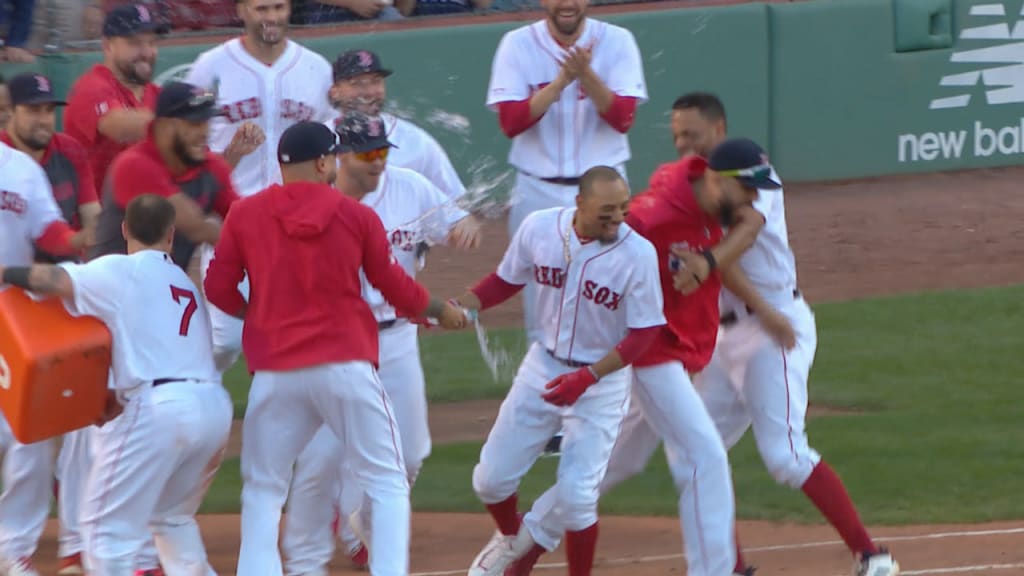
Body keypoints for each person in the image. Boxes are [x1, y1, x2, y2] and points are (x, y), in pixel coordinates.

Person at [203, 121, 469, 576]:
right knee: (386, 481)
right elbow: (395, 287)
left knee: (263, 493)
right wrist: (440, 310)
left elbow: (217, 286)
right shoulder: (356, 216)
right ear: (326, 162)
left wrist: (259, 316)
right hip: (346, 365)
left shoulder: (245, 214)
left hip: (275, 372)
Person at [506, 138, 772, 576]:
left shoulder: (712, 205)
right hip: (649, 352)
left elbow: (753, 219)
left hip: (671, 351)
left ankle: (523, 548)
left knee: (614, 463)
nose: (753, 197)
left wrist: (715, 252)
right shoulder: (654, 218)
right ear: (715, 180)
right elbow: (594, 252)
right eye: (747, 187)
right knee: (704, 455)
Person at [673, 92, 900, 576]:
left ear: (717, 132)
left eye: (691, 135)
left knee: (785, 455)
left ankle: (870, 554)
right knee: (697, 452)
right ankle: (730, 567)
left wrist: (755, 305)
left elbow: (736, 246)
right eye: (676, 137)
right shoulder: (690, 188)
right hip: (725, 339)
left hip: (773, 328)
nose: (682, 145)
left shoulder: (753, 179)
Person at [280, 113, 482, 573]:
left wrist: (465, 225)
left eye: (383, 152)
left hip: (395, 341)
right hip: (332, 345)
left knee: (409, 454)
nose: (378, 163)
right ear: (339, 157)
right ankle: (303, 559)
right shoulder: (315, 201)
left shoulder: (408, 186)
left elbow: (457, 220)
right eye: (368, 154)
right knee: (321, 458)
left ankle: (359, 523)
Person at [0, 194, 233, 576]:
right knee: (172, 520)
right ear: (171, 235)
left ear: (124, 229)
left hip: (161, 408)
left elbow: (53, 279)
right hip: (212, 408)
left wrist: (6, 272)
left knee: (103, 530)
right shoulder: (184, 283)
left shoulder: (122, 270)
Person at [455, 166, 665, 576]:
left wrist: (587, 378)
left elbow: (645, 334)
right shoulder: (539, 229)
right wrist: (463, 305)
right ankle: (513, 541)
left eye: (623, 208)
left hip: (600, 382)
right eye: (607, 210)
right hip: (542, 367)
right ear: (580, 203)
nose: (618, 219)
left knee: (577, 496)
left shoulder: (638, 253)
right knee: (490, 481)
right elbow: (505, 281)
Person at [184, 0, 336, 373]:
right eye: (261, 8)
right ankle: (196, 408)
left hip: (297, 222)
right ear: (242, 11)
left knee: (300, 335)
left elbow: (329, 150)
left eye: (278, 7)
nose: (271, 17)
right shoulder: (209, 67)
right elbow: (189, 157)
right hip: (230, 219)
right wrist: (230, 155)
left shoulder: (316, 68)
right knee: (226, 340)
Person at [485, 0, 647, 347]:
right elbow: (511, 123)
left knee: (611, 295)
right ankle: (543, 392)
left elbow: (623, 118)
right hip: (537, 191)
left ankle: (610, 394)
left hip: (605, 194)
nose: (567, 4)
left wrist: (586, 74)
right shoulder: (517, 44)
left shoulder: (618, 40)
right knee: (541, 306)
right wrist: (561, 81)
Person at [0, 71, 100, 575]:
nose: (43, 117)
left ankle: (13, 549)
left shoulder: (22, 170)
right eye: (33, 109)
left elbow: (50, 231)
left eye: (47, 110)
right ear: (7, 111)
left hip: (13, 315)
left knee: (27, 433)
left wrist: (80, 240)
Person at [328, 48, 482, 274]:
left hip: (395, 277)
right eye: (358, 83)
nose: (370, 91)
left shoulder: (417, 142)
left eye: (376, 82)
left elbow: (453, 206)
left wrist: (462, 224)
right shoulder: (313, 141)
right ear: (335, 91)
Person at [90, 80, 240, 272]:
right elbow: (196, 227)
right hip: (108, 292)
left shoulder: (212, 166)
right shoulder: (133, 165)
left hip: (163, 290)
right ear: (163, 127)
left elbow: (242, 218)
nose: (205, 132)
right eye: (195, 123)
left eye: (206, 123)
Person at [64, 3, 168, 194]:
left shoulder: (157, 95)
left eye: (152, 43)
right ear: (108, 46)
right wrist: (183, 118)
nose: (146, 52)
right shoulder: (91, 87)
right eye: (135, 43)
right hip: (98, 216)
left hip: (149, 214)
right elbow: (119, 126)